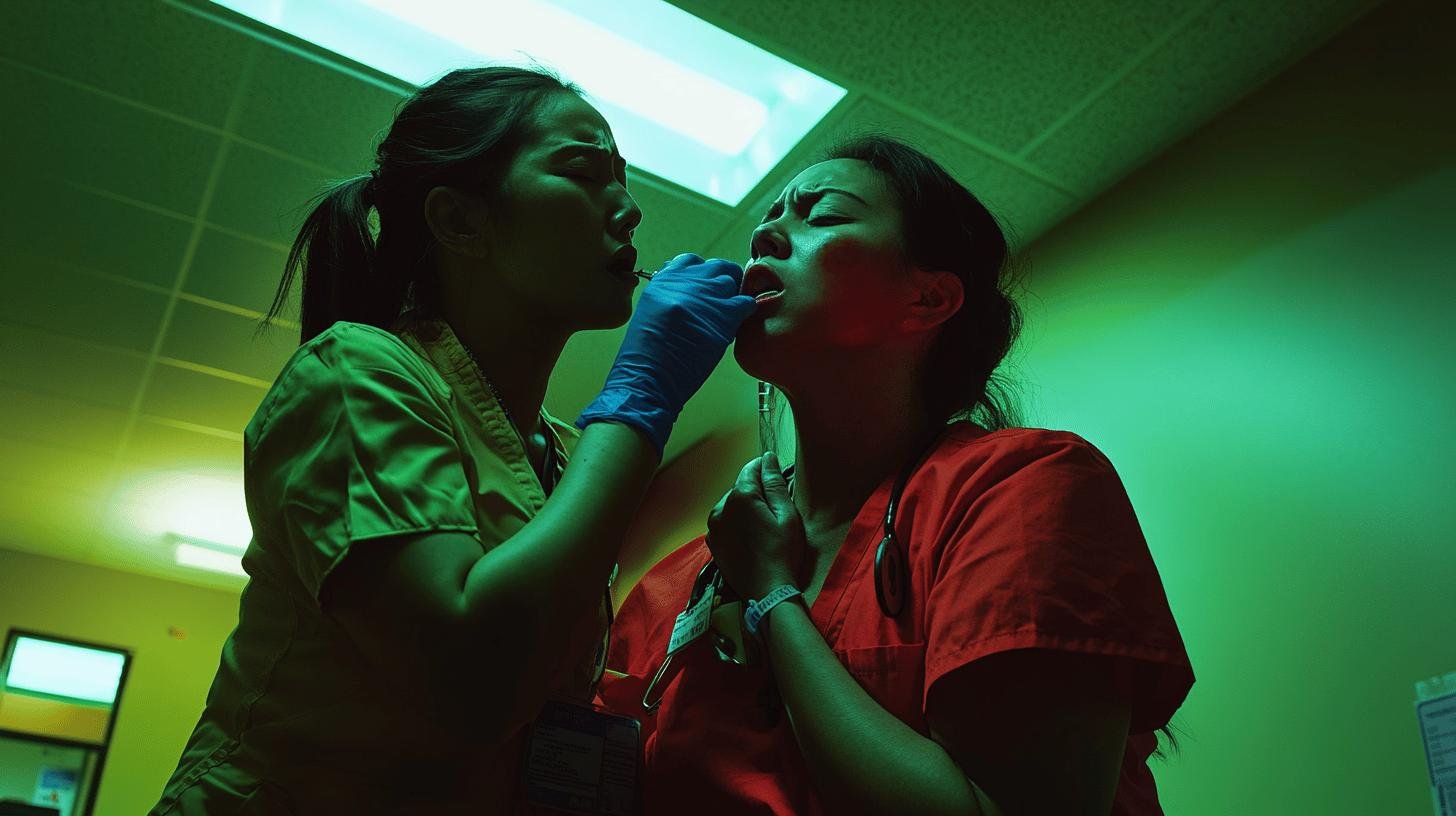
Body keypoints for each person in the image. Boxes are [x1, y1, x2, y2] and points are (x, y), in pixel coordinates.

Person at [151, 66, 756, 813]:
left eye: (622, 181)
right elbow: (467, 686)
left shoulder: (560, 456)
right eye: (581, 172)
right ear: (462, 222)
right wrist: (642, 401)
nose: (628, 210)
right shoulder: (356, 373)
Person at [600, 136, 1195, 815]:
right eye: (770, 214)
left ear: (928, 300)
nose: (764, 232)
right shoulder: (675, 583)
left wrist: (773, 597)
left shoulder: (1024, 490)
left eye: (821, 215)